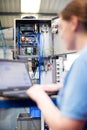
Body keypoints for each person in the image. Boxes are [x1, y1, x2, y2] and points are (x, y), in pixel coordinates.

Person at [26, 0, 87, 130]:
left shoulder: (83, 61)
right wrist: (63, 86)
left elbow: (66, 127)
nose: (61, 35)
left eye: (61, 27)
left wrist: (39, 95)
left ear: (74, 23)